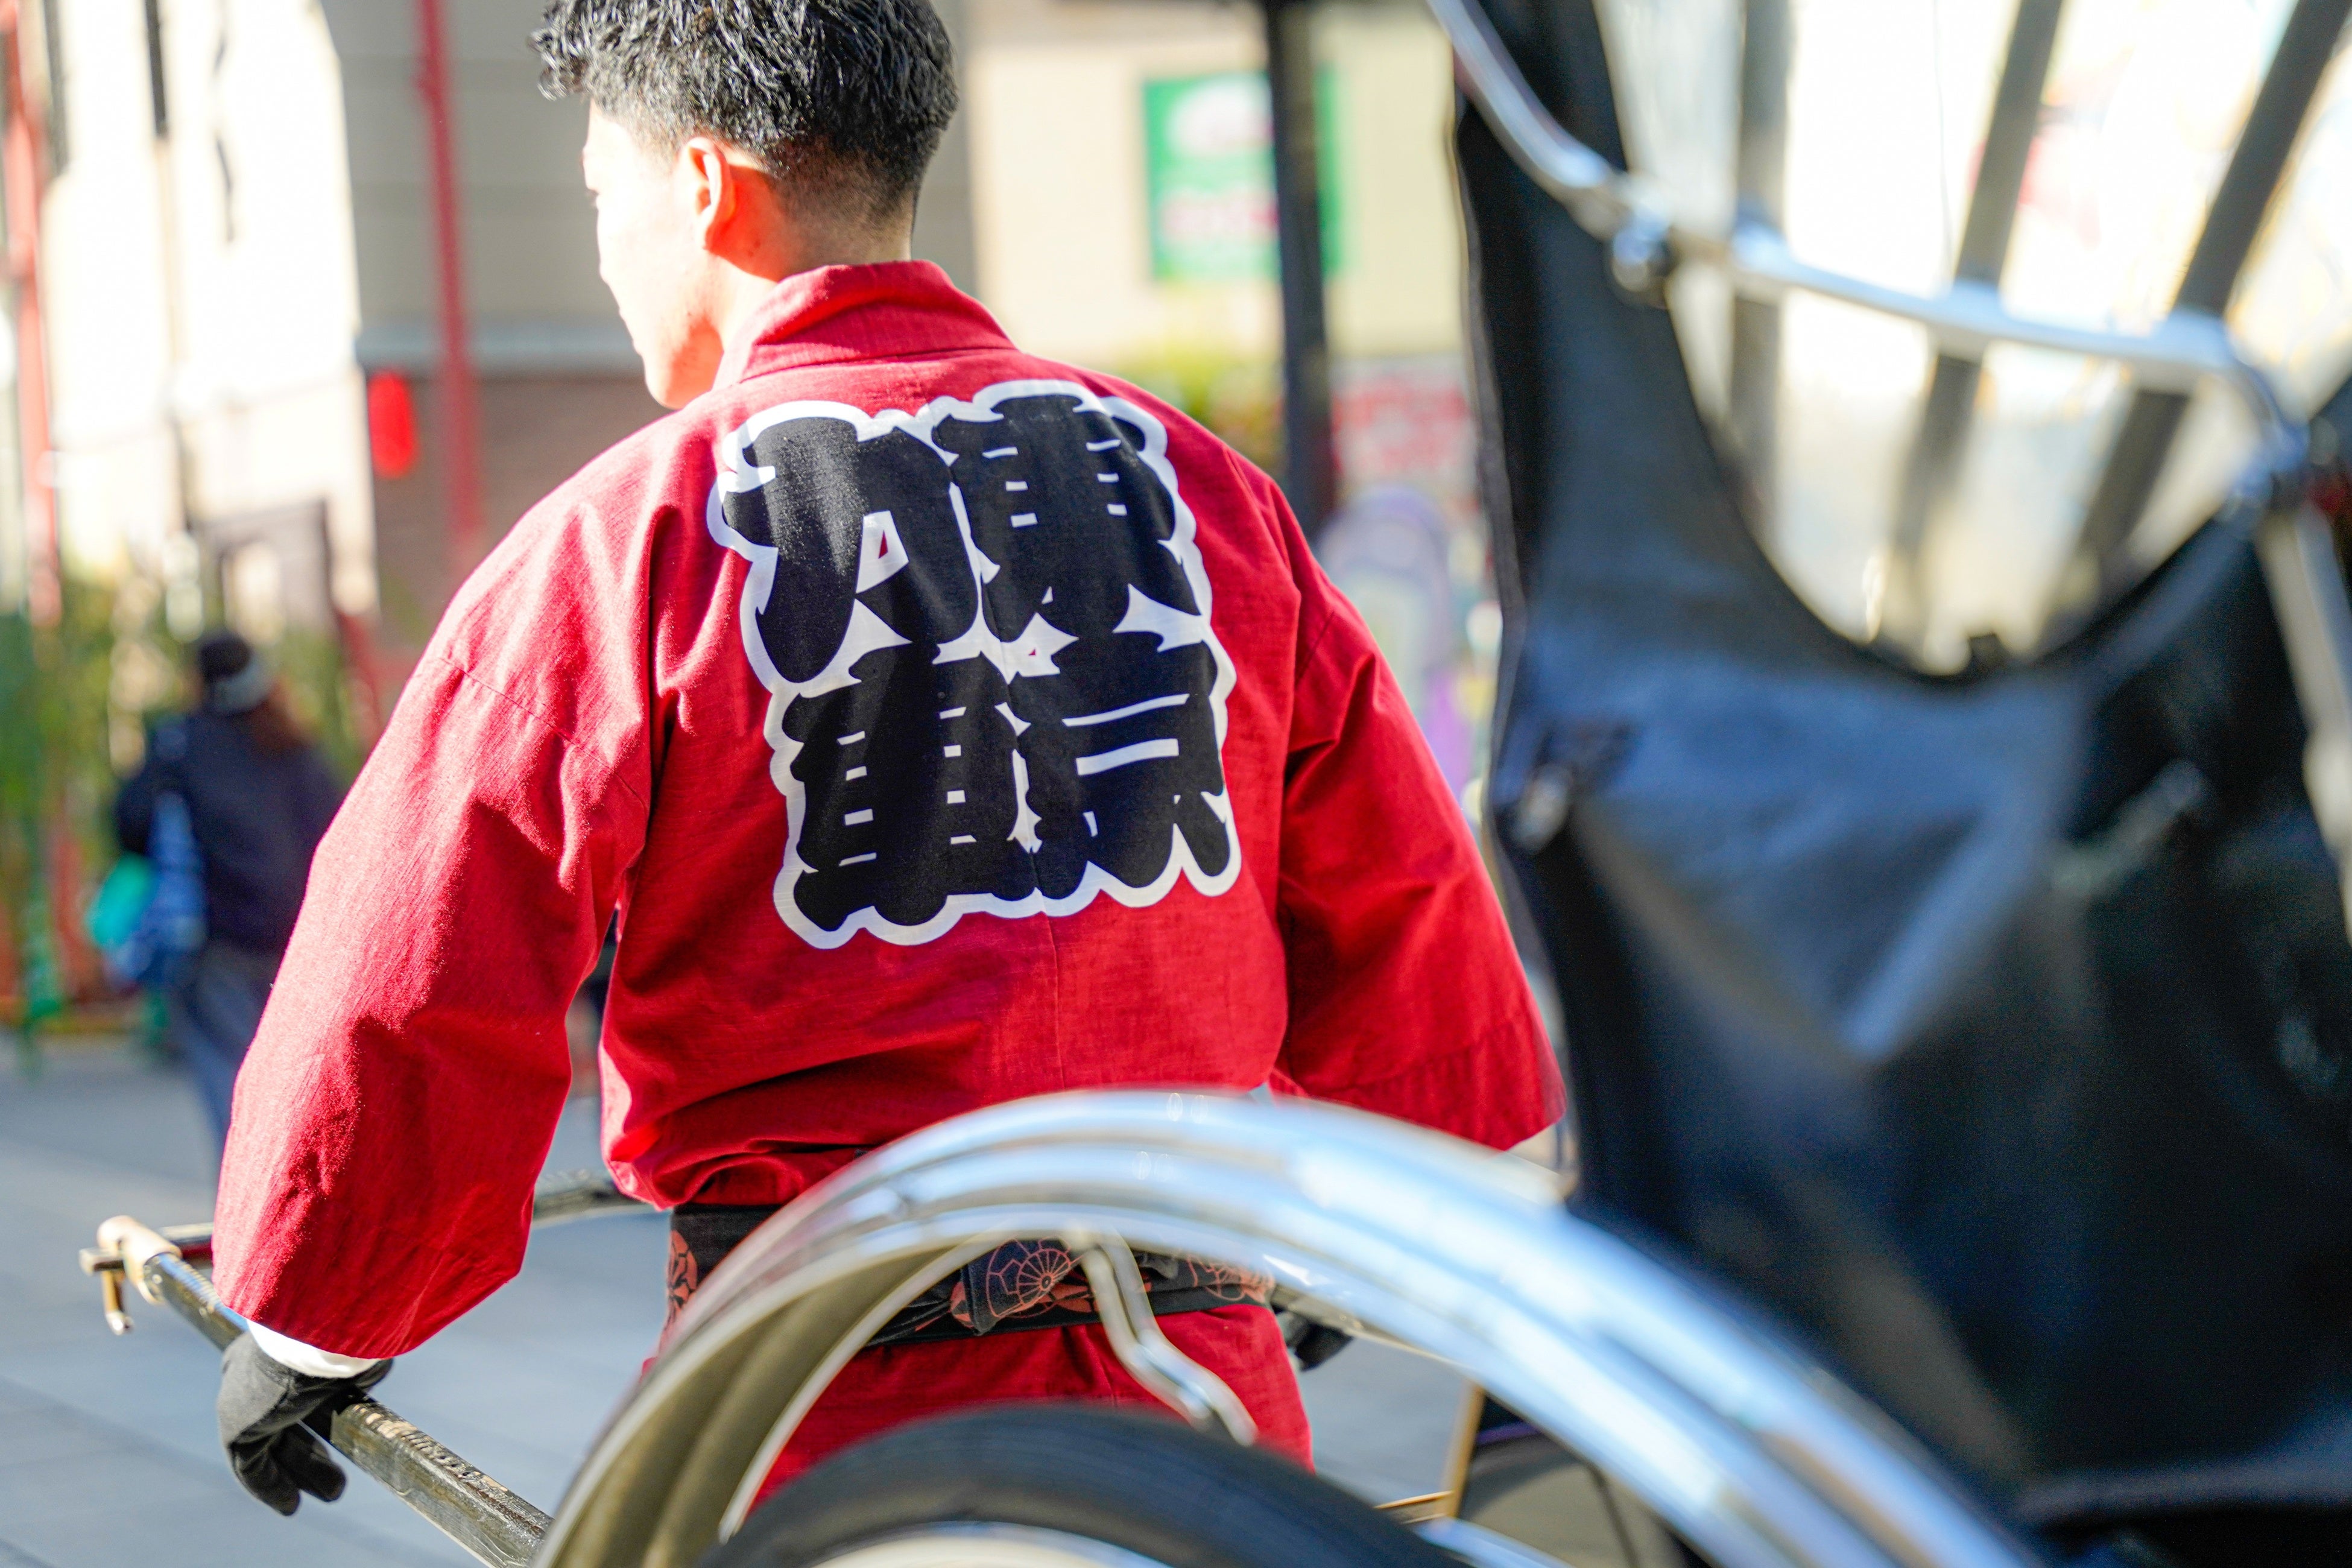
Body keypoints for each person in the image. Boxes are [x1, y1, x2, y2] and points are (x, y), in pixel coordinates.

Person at [204, 0, 1564, 1523]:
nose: (603, 252)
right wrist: (1336, 1243)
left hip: (822, 1419)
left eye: (602, 195)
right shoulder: (1200, 492)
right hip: (1197, 1403)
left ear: (702, 185)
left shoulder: (630, 539)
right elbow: (1401, 907)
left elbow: (422, 960)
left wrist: (311, 1321)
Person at [113, 631, 343, 1149]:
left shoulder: (182, 743)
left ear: (198, 679)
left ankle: (256, 1184)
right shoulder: (293, 743)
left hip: (217, 938)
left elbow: (131, 823)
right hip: (299, 938)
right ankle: (308, 1179)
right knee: (299, 1075)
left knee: (232, 1075)